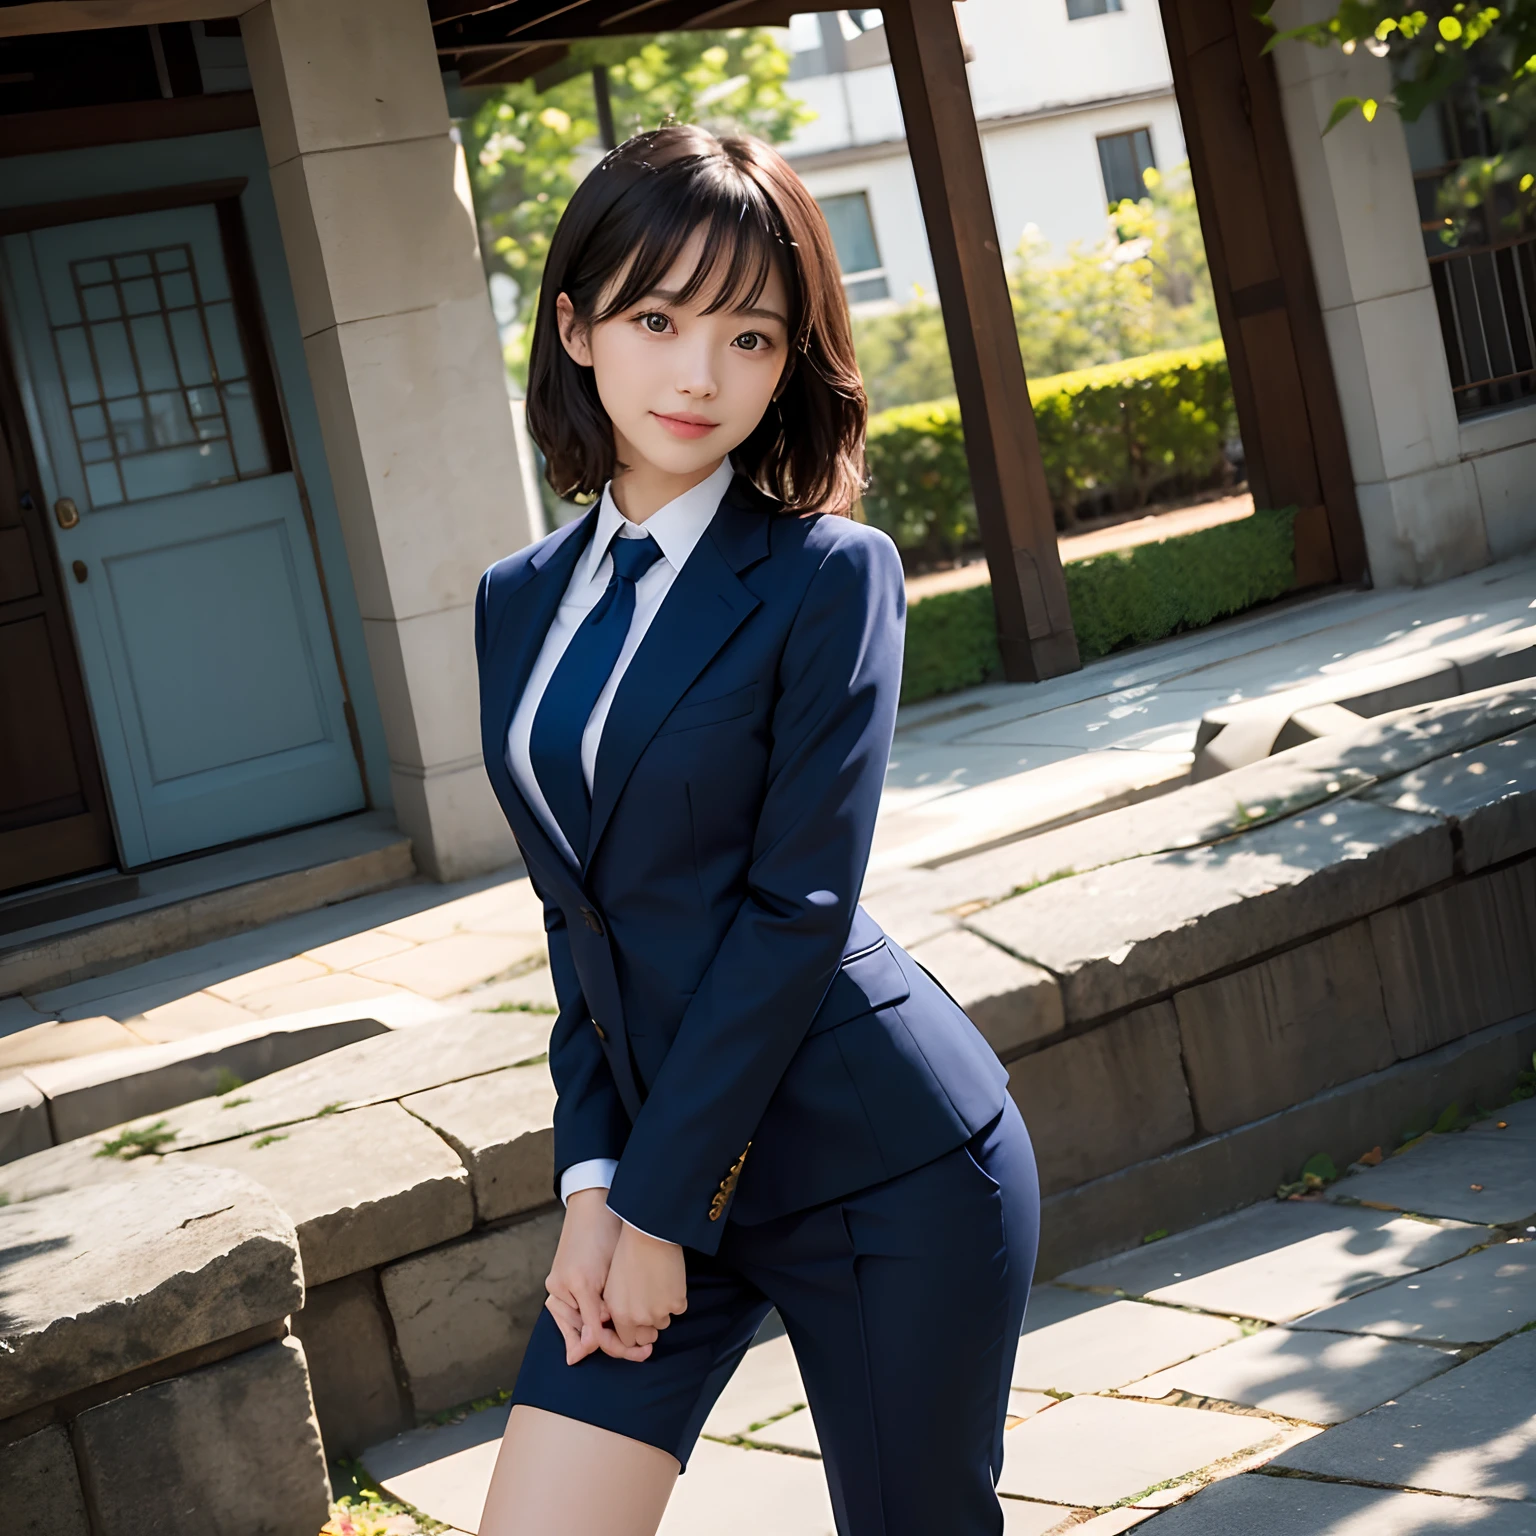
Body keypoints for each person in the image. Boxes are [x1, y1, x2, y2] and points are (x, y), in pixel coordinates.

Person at [474, 124, 1039, 1536]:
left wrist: (657, 1210)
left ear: (793, 362)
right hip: (660, 1167)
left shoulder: (830, 578)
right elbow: (579, 922)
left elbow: (797, 909)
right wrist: (596, 1185)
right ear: (576, 325)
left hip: (880, 1170)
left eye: (750, 336)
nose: (698, 375)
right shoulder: (514, 601)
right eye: (657, 319)